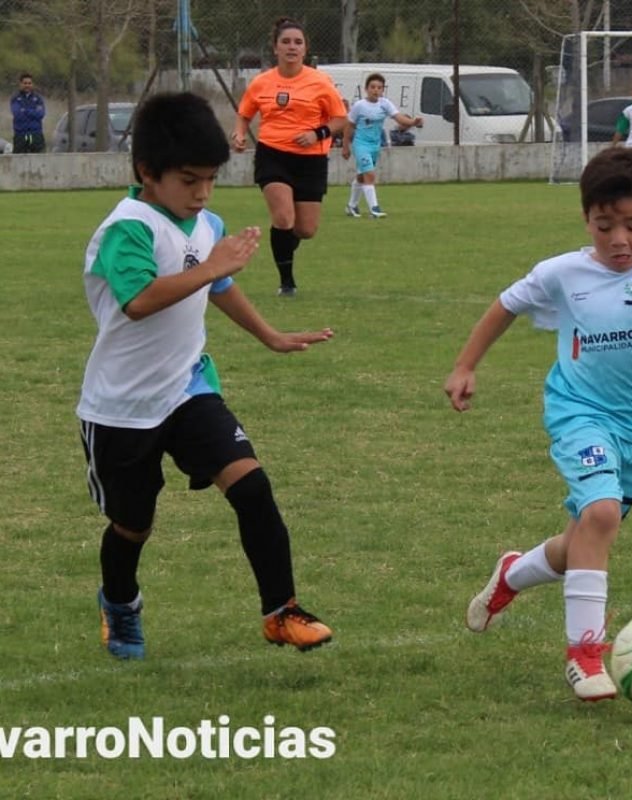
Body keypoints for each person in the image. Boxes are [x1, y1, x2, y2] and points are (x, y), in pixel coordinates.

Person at [444, 147, 632, 703]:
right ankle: (585, 654)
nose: (619, 240)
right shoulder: (564, 272)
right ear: (587, 220)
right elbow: (505, 305)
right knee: (601, 515)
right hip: (578, 410)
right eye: (604, 227)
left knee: (583, 538)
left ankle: (512, 573)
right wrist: (465, 366)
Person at [77, 91, 335, 661]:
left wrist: (269, 334)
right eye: (190, 180)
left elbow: (217, 286)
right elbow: (140, 301)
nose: (202, 194)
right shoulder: (130, 227)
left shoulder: (205, 222)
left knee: (253, 488)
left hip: (188, 389)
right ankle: (120, 604)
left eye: (211, 180)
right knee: (132, 525)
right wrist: (214, 265)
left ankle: (281, 611)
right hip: (121, 406)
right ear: (148, 171)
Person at [231, 17, 347, 297]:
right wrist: (239, 133)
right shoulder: (261, 83)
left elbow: (340, 119)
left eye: (298, 42)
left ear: (305, 49)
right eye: (286, 42)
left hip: (310, 160)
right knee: (283, 218)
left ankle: (283, 242)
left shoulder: (320, 82)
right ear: (276, 48)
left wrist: (317, 134)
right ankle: (287, 282)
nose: (292, 47)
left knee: (305, 229)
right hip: (273, 154)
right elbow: (244, 114)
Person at [342, 73, 423, 219]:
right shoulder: (359, 106)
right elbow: (349, 126)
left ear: (383, 90)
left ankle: (351, 206)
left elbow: (399, 118)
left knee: (362, 176)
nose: (376, 90)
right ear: (366, 89)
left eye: (379, 87)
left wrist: (413, 122)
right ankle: (375, 209)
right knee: (370, 175)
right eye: (372, 87)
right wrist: (345, 146)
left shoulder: (384, 104)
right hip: (361, 145)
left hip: (375, 145)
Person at [10, 72, 46, 154]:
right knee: (19, 162)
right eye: (25, 83)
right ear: (21, 84)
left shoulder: (38, 98)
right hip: (20, 135)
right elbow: (17, 114)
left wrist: (25, 110)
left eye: (29, 83)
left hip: (36, 134)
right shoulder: (15, 98)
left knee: (39, 162)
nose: (27, 85)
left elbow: (40, 114)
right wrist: (33, 111)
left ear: (32, 84)